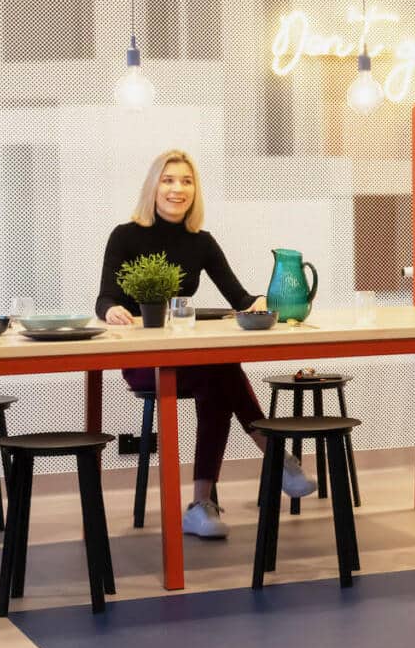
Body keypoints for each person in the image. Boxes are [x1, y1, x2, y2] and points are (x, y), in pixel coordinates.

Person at [96, 149, 314, 540]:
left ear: (195, 191)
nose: (177, 189)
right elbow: (104, 298)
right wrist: (112, 310)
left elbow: (238, 296)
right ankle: (269, 461)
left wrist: (259, 303)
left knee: (218, 371)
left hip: (194, 362)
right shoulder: (125, 235)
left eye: (186, 181)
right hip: (144, 361)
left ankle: (203, 505)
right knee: (222, 370)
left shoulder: (201, 242)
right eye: (168, 180)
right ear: (154, 186)